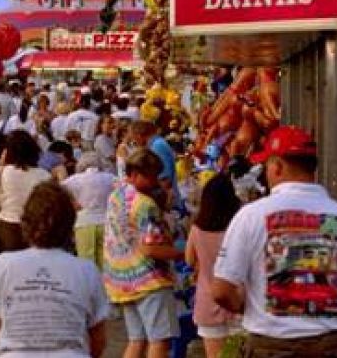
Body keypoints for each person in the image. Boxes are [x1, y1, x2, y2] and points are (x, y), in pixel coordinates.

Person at [212, 126, 337, 357]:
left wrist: (249, 309)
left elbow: (221, 291)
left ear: (276, 166)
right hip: (332, 345)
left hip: (271, 345)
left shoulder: (251, 216)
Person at [0, 182, 110, 357]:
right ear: (70, 224)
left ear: (26, 222)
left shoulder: (3, 265)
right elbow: (98, 337)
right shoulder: (87, 270)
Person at [103, 149, 182, 358]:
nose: (156, 181)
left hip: (121, 278)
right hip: (149, 279)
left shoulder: (116, 194)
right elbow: (151, 247)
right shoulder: (145, 204)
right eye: (152, 175)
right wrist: (182, 254)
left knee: (136, 340)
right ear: (136, 173)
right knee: (159, 341)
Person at [184, 174, 242, 358]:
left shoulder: (197, 229)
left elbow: (189, 260)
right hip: (238, 300)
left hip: (208, 302)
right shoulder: (238, 226)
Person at [0, 130, 51, 255]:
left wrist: (1, 164)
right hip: (36, 227)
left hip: (8, 225)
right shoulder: (44, 175)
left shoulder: (4, 172)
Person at [63, 151, 117, 269]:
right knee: (106, 262)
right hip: (106, 222)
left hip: (83, 223)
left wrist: (73, 203)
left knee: (85, 262)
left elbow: (58, 189)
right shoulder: (110, 178)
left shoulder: (74, 179)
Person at [129, 120, 180, 207]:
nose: (135, 143)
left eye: (134, 139)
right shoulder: (157, 143)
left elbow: (164, 178)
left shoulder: (157, 146)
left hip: (167, 201)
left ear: (139, 136)